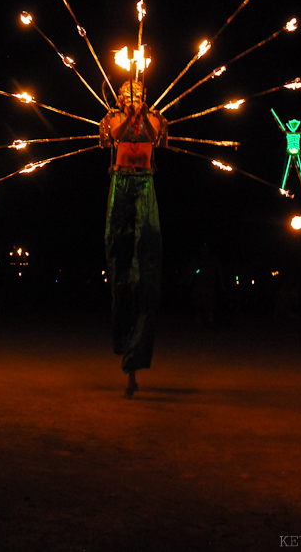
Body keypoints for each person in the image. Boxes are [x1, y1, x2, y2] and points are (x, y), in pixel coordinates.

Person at [105, 81, 162, 398]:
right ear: (119, 97)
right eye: (128, 95)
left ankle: (136, 357)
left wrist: (141, 114)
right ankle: (121, 337)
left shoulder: (154, 118)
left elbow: (152, 137)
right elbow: (117, 136)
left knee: (146, 268)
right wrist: (129, 115)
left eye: (139, 95)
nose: (134, 99)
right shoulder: (112, 118)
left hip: (144, 184)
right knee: (121, 263)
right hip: (120, 182)